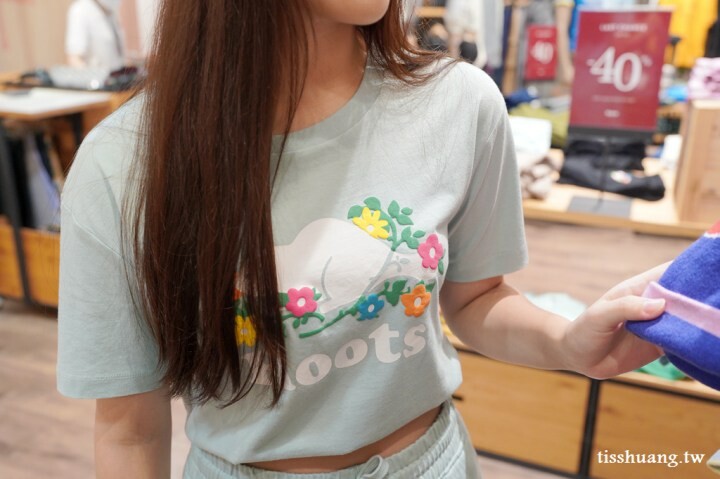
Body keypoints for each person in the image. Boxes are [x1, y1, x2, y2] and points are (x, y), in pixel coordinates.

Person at [56, 0, 667, 477]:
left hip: (435, 463)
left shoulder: (459, 103)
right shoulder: (125, 165)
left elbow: (476, 298)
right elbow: (130, 430)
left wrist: (568, 341)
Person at [65, 0, 124, 70]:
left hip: (117, 73)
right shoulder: (80, 10)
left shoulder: (110, 12)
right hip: (97, 75)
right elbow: (74, 58)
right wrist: (92, 76)